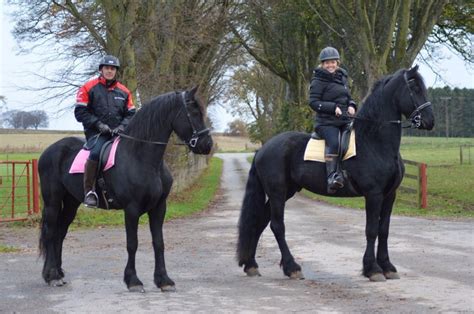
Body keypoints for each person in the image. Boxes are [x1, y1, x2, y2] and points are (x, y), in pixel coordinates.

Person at [74, 55, 136, 207]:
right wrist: (98, 124)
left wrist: (122, 127)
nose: (109, 71)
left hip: (119, 132)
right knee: (96, 153)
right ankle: (90, 191)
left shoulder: (124, 91)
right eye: (107, 68)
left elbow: (131, 114)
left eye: (112, 68)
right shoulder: (88, 87)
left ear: (116, 71)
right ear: (101, 69)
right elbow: (80, 112)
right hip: (97, 133)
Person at [309, 47, 357, 194]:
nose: (330, 65)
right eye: (327, 63)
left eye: (333, 62)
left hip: (344, 120)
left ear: (337, 62)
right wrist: (332, 108)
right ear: (322, 64)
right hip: (325, 123)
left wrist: (351, 105)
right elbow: (313, 102)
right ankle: (332, 177)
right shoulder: (318, 80)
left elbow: (348, 97)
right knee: (335, 142)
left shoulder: (341, 78)